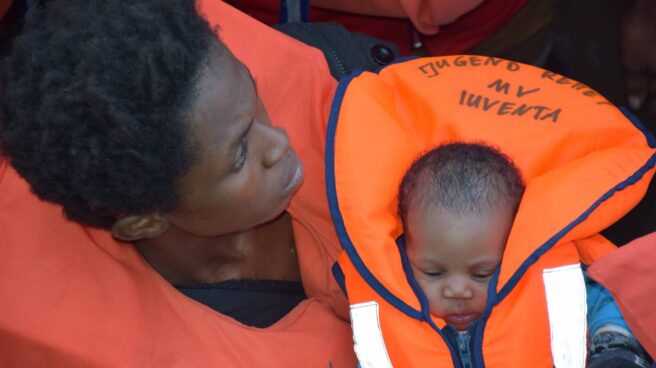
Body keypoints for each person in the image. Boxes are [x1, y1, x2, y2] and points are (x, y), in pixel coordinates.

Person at [0, 0, 358, 366]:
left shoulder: (338, 66)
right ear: (144, 222)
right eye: (239, 156)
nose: (279, 143)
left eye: (254, 94)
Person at [398, 142, 651, 367]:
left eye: (481, 273)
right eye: (434, 273)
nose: (457, 291)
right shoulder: (380, 319)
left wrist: (615, 344)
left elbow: (614, 297)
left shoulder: (556, 283)